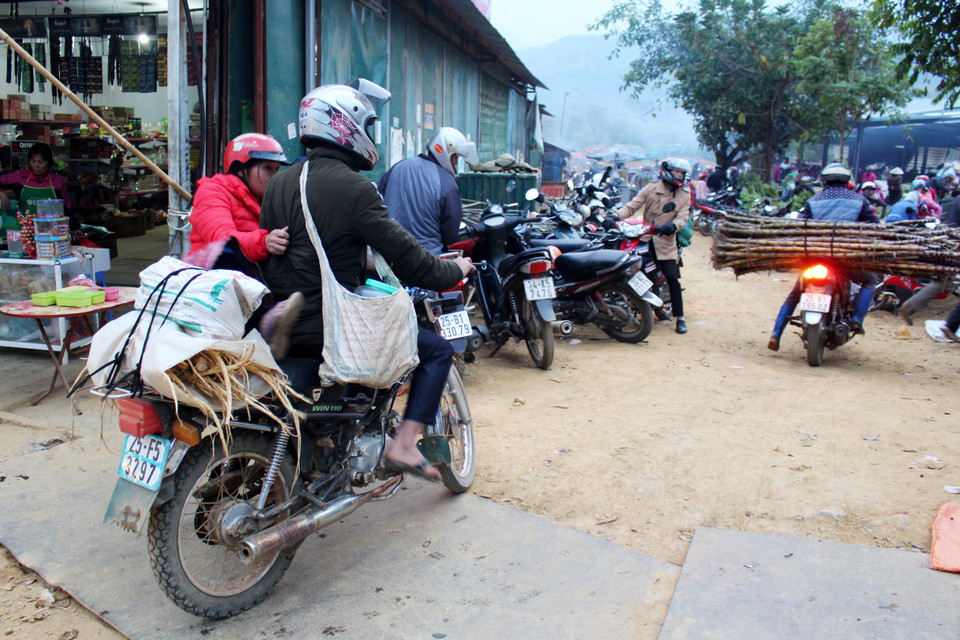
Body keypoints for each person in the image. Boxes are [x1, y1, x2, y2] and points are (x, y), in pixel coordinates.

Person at [259, 78, 473, 482]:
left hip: (288, 317)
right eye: (367, 126)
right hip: (331, 326)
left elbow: (292, 249)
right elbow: (410, 260)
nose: (370, 136)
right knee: (437, 351)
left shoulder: (279, 183)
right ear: (344, 125)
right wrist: (453, 269)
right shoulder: (355, 188)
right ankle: (405, 443)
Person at [184, 132, 303, 359]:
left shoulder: (265, 198)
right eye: (267, 168)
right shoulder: (212, 191)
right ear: (241, 168)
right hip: (212, 283)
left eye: (277, 169)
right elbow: (221, 239)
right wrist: (264, 241)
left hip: (249, 287)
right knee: (228, 250)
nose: (274, 176)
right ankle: (268, 319)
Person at [767, 163, 880, 351]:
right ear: (846, 181)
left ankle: (775, 334)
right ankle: (857, 320)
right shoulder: (859, 201)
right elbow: (874, 225)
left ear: (824, 181)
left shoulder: (813, 200)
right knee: (870, 280)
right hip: (847, 260)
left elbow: (800, 227)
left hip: (816, 260)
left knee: (795, 295)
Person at [606, 157, 692, 334]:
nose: (681, 176)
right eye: (678, 172)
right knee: (633, 269)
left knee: (671, 276)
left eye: (683, 174)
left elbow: (682, 218)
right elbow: (632, 206)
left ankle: (680, 317)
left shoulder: (684, 195)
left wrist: (673, 226)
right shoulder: (652, 188)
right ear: (667, 171)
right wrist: (615, 216)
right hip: (645, 239)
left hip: (667, 242)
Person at [377, 126, 478, 255]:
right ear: (444, 151)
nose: (456, 163)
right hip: (427, 258)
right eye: (455, 157)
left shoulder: (398, 167)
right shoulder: (447, 183)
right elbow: (451, 234)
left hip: (388, 252)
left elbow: (377, 198)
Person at [0, 142, 83, 242]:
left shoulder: (57, 182)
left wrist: (75, 228)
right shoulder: (20, 177)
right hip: (27, 233)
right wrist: (2, 193)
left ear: (48, 162)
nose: (36, 165)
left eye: (40, 162)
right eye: (33, 161)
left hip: (52, 235)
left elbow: (67, 206)